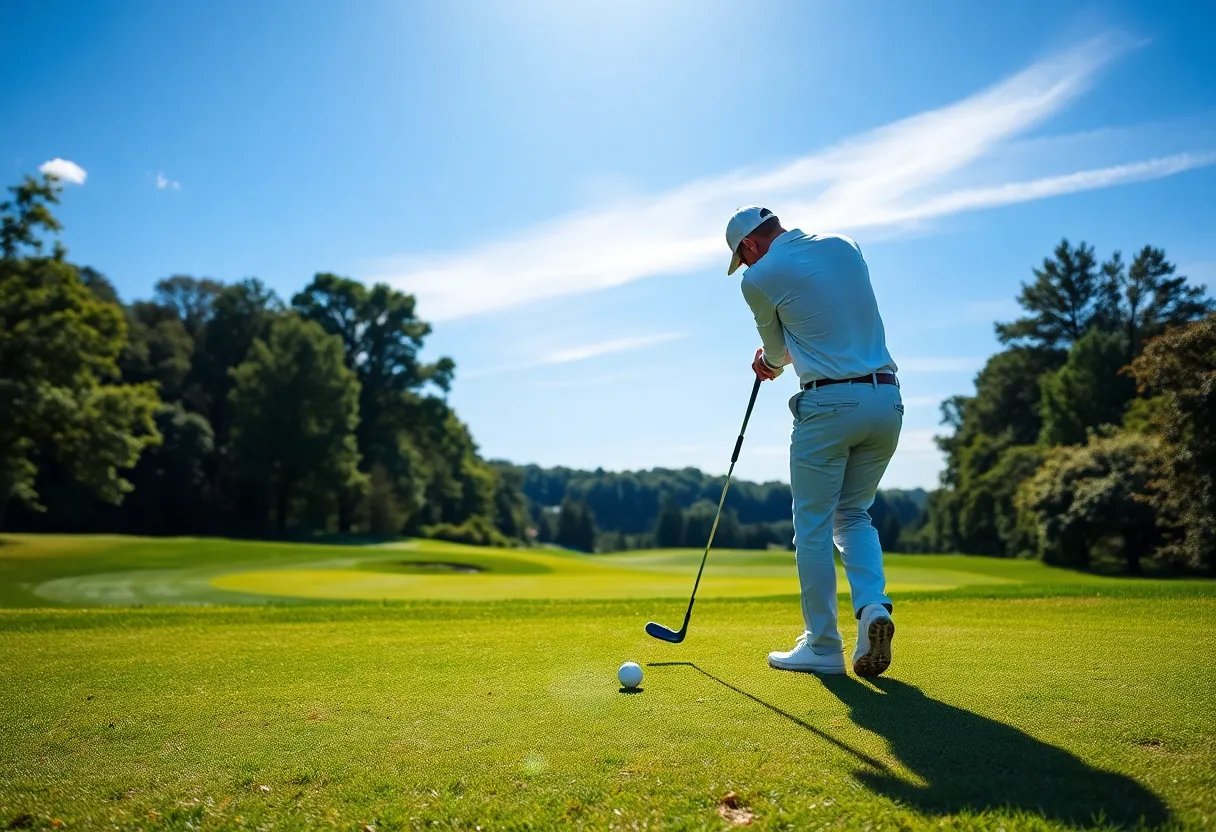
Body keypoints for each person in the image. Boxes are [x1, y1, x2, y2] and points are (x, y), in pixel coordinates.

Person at [726, 205, 902, 677]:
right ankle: (872, 608)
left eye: (744, 258)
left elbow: (778, 352)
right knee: (854, 513)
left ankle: (823, 645)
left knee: (814, 527)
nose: (747, 267)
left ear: (749, 246)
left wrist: (769, 362)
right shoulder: (846, 243)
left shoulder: (757, 277)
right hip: (886, 400)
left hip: (828, 406)